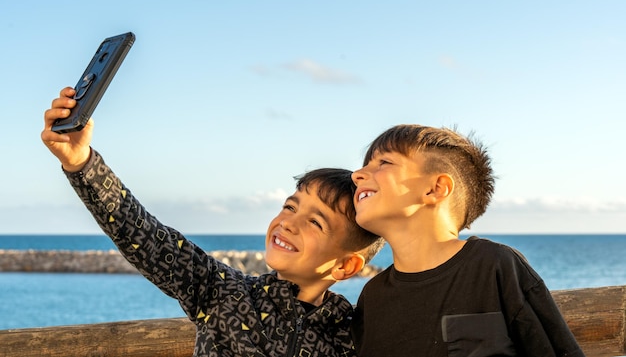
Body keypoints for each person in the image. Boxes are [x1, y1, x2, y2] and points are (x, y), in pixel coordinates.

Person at [41, 87, 384, 357]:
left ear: (345, 266)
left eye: (316, 222)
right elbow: (144, 234)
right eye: (290, 207)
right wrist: (81, 162)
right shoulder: (223, 293)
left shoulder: (352, 336)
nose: (288, 223)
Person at [350, 124, 585, 357]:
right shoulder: (373, 296)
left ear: (436, 188)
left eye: (384, 162)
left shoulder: (494, 266)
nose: (356, 175)